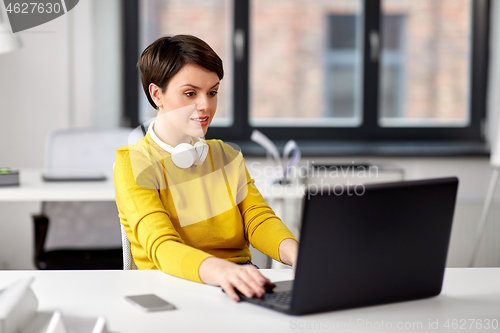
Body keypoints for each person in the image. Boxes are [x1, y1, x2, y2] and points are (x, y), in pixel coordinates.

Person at [114, 34, 298, 302]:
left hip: (240, 283)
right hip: (172, 292)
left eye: (212, 92)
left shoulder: (226, 156)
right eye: (190, 93)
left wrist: (301, 256)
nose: (206, 106)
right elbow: (163, 247)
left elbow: (259, 221)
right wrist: (223, 272)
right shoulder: (134, 163)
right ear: (157, 94)